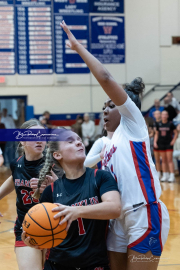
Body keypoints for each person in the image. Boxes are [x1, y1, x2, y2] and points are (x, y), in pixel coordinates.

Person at [60, 21, 170, 270]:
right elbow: (79, 169)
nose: (105, 111)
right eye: (103, 107)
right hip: (115, 218)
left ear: (125, 109)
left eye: (111, 106)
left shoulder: (133, 125)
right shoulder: (104, 143)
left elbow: (106, 77)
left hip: (144, 213)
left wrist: (78, 48)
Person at [22, 129, 121, 270]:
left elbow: (115, 208)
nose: (79, 142)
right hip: (57, 264)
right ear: (57, 154)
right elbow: (42, 228)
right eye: (70, 141)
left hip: (94, 264)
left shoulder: (100, 177)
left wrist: (76, 211)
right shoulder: (51, 190)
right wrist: (34, 240)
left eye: (79, 139)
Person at [0, 119, 58, 270]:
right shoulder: (17, 164)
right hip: (26, 228)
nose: (39, 140)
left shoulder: (54, 165)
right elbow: (14, 179)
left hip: (54, 226)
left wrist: (52, 186)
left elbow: (70, 196)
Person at [154, 111, 178, 182]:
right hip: (161, 144)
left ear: (167, 116)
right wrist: (155, 142)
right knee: (163, 161)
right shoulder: (158, 124)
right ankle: (165, 175)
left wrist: (173, 141)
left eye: (165, 115)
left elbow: (176, 133)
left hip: (168, 144)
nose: (164, 116)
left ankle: (172, 175)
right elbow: (157, 134)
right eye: (163, 114)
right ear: (161, 115)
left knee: (169, 160)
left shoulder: (170, 124)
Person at [153, 110, 162, 179]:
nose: (158, 115)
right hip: (155, 142)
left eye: (159, 114)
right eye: (156, 114)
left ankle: (166, 174)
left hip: (163, 143)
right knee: (157, 159)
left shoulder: (163, 122)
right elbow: (154, 133)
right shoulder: (154, 123)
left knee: (164, 160)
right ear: (154, 115)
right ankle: (158, 173)